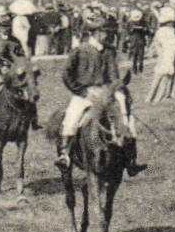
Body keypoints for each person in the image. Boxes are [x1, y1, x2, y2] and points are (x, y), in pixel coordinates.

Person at [57, 18, 142, 172]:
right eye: (105, 32)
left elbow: (113, 75)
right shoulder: (80, 50)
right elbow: (66, 73)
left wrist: (117, 87)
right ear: (95, 33)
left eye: (108, 32)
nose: (108, 35)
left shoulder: (109, 51)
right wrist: (80, 90)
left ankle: (131, 158)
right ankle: (65, 154)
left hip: (106, 91)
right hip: (84, 92)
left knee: (127, 115)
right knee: (72, 117)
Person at [149, 20, 175, 102]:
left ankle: (150, 96)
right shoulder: (170, 32)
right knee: (166, 75)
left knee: (159, 76)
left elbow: (155, 45)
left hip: (162, 55)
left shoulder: (159, 32)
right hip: (168, 54)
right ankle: (160, 96)